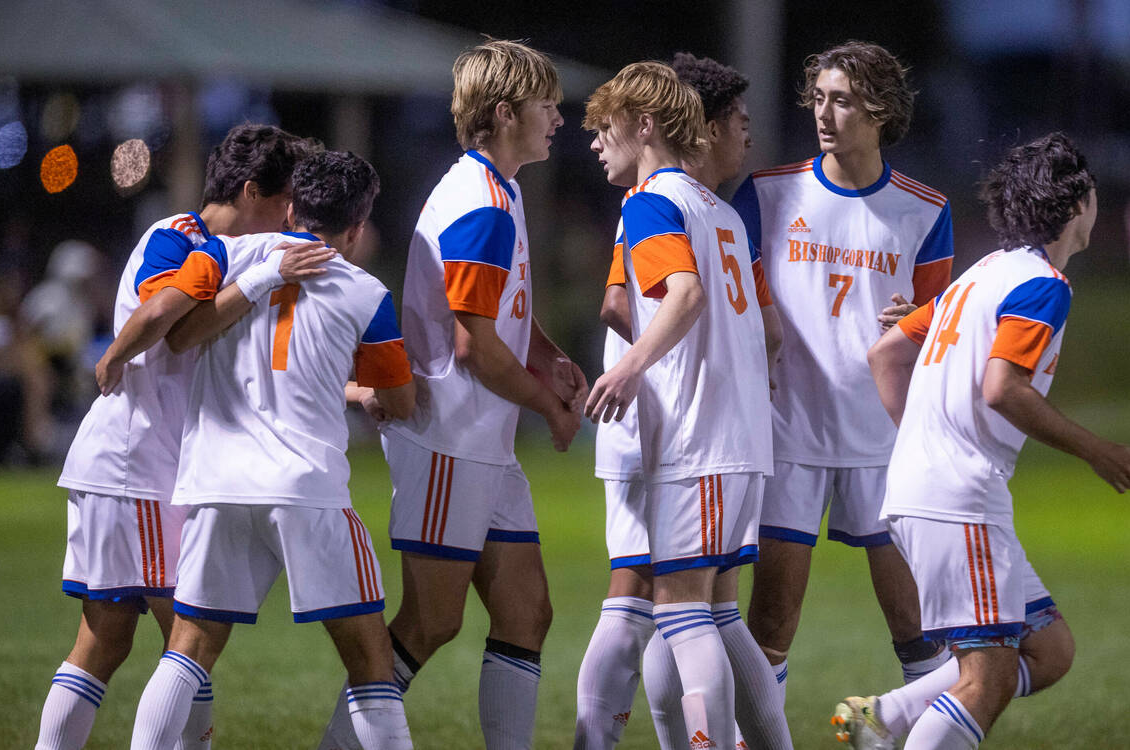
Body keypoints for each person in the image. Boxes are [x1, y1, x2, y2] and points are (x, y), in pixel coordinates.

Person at [843, 132, 1130, 750]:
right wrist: (1098, 450)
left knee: (1049, 648)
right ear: (1075, 202)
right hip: (959, 498)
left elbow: (886, 351)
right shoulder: (1041, 285)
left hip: (932, 491)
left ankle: (881, 717)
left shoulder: (981, 274)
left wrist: (924, 440)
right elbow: (1002, 387)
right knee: (986, 680)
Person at [37, 124, 324, 750]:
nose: (290, 216)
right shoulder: (184, 240)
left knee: (110, 640)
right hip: (140, 466)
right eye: (284, 202)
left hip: (142, 468)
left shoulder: (221, 251)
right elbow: (164, 314)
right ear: (252, 191)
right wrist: (114, 353)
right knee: (188, 637)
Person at [129, 150, 416, 750]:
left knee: (189, 647)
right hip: (305, 488)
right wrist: (375, 391)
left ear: (289, 208)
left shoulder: (226, 254)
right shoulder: (366, 293)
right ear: (358, 228)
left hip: (216, 482)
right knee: (370, 655)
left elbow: (180, 336)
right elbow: (403, 402)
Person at [357, 39, 584, 750]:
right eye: (548, 105)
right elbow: (473, 346)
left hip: (479, 441)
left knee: (527, 613)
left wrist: (544, 351)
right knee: (429, 624)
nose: (560, 118)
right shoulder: (482, 204)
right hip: (447, 439)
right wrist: (549, 405)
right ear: (506, 112)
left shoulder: (496, 189)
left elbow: (494, 313)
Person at [574, 52, 788, 750]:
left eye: (604, 127)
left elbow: (685, 297)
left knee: (677, 611)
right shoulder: (724, 215)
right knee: (717, 614)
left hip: (694, 439)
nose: (595, 142)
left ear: (642, 124)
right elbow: (767, 330)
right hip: (740, 437)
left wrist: (635, 365)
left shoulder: (650, 203)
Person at [731, 41, 955, 704]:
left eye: (844, 100)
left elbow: (936, 326)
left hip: (880, 438)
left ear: (881, 111)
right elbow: (733, 289)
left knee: (916, 626)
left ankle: (926, 732)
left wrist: (918, 319)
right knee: (770, 622)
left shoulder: (925, 210)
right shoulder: (768, 194)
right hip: (788, 432)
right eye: (820, 98)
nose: (825, 113)